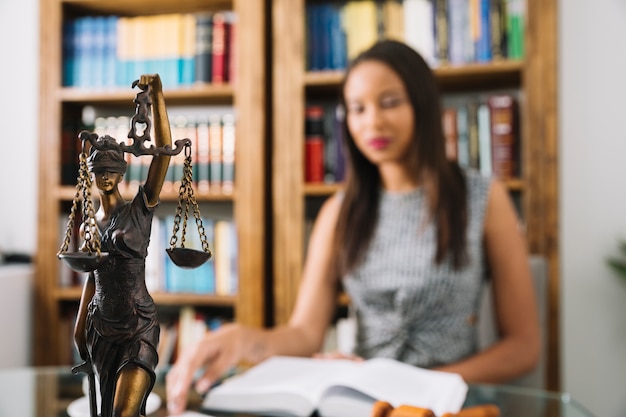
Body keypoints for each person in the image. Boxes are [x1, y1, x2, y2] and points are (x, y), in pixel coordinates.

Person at [165, 40, 540, 415]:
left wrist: (424, 386)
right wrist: (243, 339)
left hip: (451, 401)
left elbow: (523, 347)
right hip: (368, 403)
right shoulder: (340, 212)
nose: (372, 121)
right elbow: (305, 333)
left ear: (422, 105)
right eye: (358, 109)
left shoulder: (484, 199)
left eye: (390, 102)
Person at [73, 74, 172, 417]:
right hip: (101, 327)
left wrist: (156, 97)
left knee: (122, 413)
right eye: (99, 169)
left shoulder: (139, 210)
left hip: (138, 327)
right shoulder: (90, 223)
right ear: (91, 173)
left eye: (112, 169)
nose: (105, 176)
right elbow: (91, 274)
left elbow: (162, 157)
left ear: (122, 172)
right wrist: (78, 325)